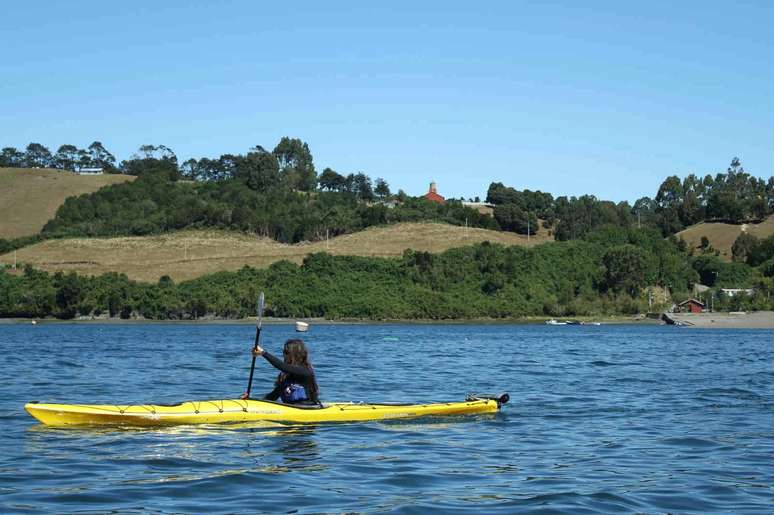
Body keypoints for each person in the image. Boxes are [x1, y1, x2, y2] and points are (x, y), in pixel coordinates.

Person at [242, 339, 320, 405]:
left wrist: (263, 353)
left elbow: (281, 366)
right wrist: (252, 401)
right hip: (290, 409)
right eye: (283, 352)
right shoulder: (285, 377)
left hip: (307, 408)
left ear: (297, 354)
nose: (284, 355)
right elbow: (272, 397)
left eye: (286, 352)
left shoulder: (305, 371)